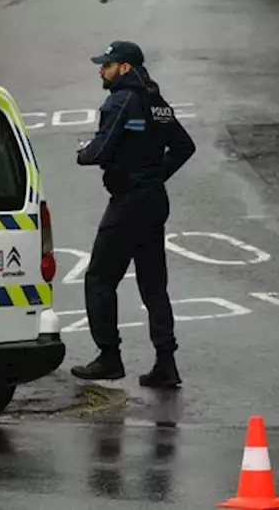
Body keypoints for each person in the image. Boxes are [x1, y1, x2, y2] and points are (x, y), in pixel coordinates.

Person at [68, 40, 195, 388]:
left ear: (124, 68)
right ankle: (166, 364)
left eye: (107, 65)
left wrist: (82, 153)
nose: (101, 70)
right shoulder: (157, 102)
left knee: (99, 279)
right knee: (154, 284)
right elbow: (185, 146)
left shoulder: (120, 100)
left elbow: (100, 150)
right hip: (154, 200)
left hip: (128, 203)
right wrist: (155, 175)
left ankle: (109, 357)